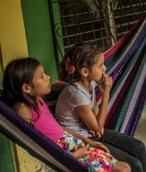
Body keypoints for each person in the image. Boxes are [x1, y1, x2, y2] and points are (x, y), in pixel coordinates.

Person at [1, 57, 130, 172]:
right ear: (26, 88)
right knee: (123, 169)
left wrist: (87, 141)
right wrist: (74, 156)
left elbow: (58, 128)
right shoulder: (23, 110)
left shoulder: (38, 100)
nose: (48, 77)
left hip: (75, 143)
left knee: (125, 167)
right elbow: (38, 145)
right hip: (67, 154)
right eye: (41, 76)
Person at [55, 42, 146, 172]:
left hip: (91, 133)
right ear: (85, 71)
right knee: (134, 165)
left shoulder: (91, 84)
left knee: (138, 147)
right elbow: (97, 126)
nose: (104, 68)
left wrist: (97, 126)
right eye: (100, 66)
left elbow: (97, 120)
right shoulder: (75, 93)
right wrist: (106, 95)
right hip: (80, 140)